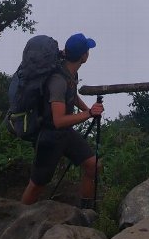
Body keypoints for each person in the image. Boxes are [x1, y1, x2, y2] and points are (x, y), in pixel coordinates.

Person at [21, 32, 105, 209]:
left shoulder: (70, 73)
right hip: (50, 137)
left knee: (93, 165)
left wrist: (85, 109)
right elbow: (58, 120)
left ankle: (86, 212)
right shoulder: (58, 80)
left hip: (65, 134)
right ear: (83, 55)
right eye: (87, 50)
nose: (89, 53)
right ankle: (18, 218)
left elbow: (71, 95)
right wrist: (89, 113)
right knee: (37, 184)